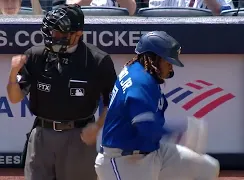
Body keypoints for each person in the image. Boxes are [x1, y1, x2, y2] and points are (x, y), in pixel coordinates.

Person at [6, 4, 117, 180]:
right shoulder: (36, 55)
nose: (54, 36)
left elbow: (112, 102)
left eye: (60, 32)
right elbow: (14, 97)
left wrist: (97, 127)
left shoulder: (98, 60)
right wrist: (13, 74)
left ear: (78, 34)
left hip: (78, 137)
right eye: (51, 31)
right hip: (42, 135)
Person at [94, 31, 220, 180]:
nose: (171, 68)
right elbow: (146, 127)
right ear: (154, 58)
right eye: (168, 62)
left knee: (206, 168)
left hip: (152, 151)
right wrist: (177, 131)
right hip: (124, 160)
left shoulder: (139, 70)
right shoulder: (139, 82)